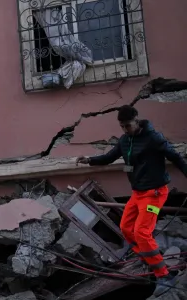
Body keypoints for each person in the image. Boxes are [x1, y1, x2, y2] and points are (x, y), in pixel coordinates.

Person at [76, 105, 187, 297]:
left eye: (128, 125)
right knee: (127, 228)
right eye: (122, 126)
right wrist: (89, 160)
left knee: (142, 232)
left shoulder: (154, 138)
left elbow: (175, 157)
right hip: (138, 193)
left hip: (155, 193)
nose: (125, 129)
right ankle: (149, 257)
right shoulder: (125, 140)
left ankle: (164, 275)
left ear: (137, 120)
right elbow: (109, 157)